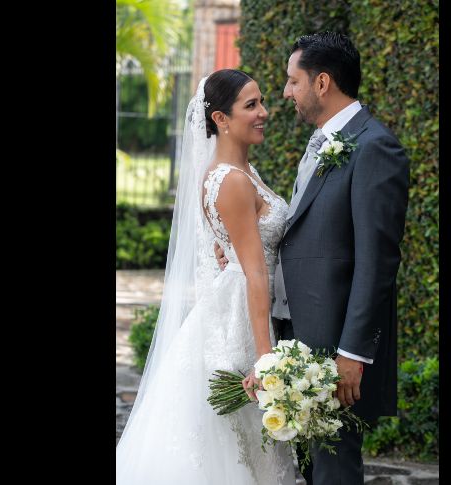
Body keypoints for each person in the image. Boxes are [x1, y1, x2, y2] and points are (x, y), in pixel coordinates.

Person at [217, 32, 411, 485]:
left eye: (292, 81)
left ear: (321, 83)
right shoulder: (325, 141)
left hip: (335, 349)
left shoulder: (374, 146)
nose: (285, 93)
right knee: (307, 468)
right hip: (296, 338)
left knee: (334, 469)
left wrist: (352, 353)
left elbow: (377, 261)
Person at [116, 69, 294, 485]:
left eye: (262, 101)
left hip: (237, 301)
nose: (264, 112)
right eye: (251, 105)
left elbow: (237, 249)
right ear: (220, 119)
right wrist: (268, 359)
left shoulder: (239, 171)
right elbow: (253, 269)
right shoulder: (230, 180)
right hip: (240, 318)